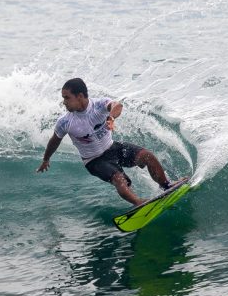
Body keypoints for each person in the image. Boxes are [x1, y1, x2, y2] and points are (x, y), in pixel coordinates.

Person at [37, 78, 184, 206]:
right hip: (94, 161)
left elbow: (117, 106)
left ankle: (166, 185)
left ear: (80, 96)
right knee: (119, 179)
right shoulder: (65, 122)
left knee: (147, 156)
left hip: (112, 148)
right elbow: (54, 141)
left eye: (67, 98)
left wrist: (111, 118)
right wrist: (46, 159)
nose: (64, 102)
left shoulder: (99, 105)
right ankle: (140, 203)